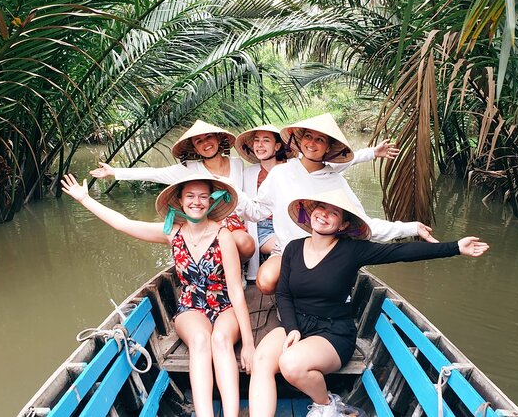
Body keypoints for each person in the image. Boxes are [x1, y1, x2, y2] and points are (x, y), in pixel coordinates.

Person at [248, 189, 489, 417]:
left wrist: (455, 247)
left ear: (343, 225)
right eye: (320, 208)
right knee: (261, 360)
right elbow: (284, 295)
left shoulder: (353, 250)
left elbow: (402, 253)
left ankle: (327, 405)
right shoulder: (292, 248)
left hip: (333, 332)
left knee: (291, 364)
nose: (324, 215)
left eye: (334, 213)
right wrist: (292, 329)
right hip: (297, 325)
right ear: (311, 212)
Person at [60, 173, 254, 417]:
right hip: (191, 307)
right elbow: (123, 223)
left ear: (211, 202)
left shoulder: (223, 235)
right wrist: (85, 199)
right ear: (181, 201)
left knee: (221, 340)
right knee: (201, 341)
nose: (197, 202)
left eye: (203, 196)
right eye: (190, 196)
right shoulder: (172, 233)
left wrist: (248, 344)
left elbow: (235, 289)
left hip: (224, 305)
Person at [235, 113, 437, 295]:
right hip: (287, 250)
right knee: (265, 282)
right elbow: (256, 211)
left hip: (323, 253)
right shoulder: (280, 173)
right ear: (299, 139)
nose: (312, 143)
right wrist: (232, 193)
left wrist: (412, 227)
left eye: (320, 139)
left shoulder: (336, 181)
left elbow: (364, 224)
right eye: (308, 136)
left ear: (328, 147)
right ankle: (291, 294)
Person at [89, 120, 255, 263]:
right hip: (204, 222)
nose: (206, 143)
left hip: (233, 221)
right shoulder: (188, 169)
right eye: (199, 141)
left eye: (208, 137)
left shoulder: (236, 163)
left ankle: (233, 267)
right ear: (195, 149)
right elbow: (154, 173)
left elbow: (246, 196)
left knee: (246, 244)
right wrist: (114, 172)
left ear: (218, 138)